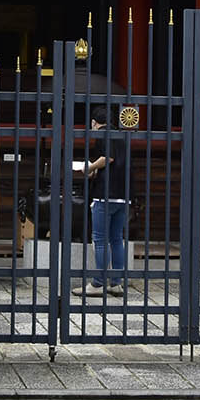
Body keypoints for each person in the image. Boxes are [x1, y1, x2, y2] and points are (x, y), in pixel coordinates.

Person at [75, 105, 131, 298]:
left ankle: (98, 283)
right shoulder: (122, 136)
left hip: (105, 194)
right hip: (124, 194)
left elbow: (108, 158)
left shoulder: (102, 134)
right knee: (117, 239)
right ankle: (116, 283)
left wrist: (89, 168)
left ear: (94, 122)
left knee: (100, 239)